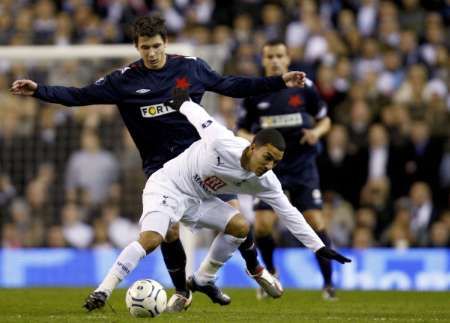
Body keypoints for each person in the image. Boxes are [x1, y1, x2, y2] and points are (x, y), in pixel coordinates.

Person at [10, 16, 307, 311]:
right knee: (170, 231)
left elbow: (231, 85)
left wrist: (278, 81)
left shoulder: (190, 67)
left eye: (155, 46)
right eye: (144, 48)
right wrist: (39, 90)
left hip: (202, 164)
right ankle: (182, 291)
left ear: (165, 43)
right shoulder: (124, 80)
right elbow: (79, 95)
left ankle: (254, 269)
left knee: (236, 218)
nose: (151, 53)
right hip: (162, 170)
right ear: (137, 47)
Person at [82, 88, 351, 312]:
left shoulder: (266, 180)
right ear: (253, 146)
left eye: (275, 162)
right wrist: (183, 101)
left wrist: (318, 247)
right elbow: (200, 118)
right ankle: (102, 291)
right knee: (153, 238)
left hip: (199, 200)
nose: (269, 166)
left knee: (241, 227)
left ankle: (203, 279)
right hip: (169, 185)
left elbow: (290, 213)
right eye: (267, 157)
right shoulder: (223, 142)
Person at [236, 40, 337, 300]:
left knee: (315, 221)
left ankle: (328, 284)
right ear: (263, 59)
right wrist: (252, 141)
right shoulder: (254, 92)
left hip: (303, 165)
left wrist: (316, 132)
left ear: (288, 58)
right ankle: (270, 275)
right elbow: (241, 130)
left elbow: (326, 120)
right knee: (262, 225)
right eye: (269, 56)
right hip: (270, 168)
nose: (274, 61)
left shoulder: (305, 87)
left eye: (279, 55)